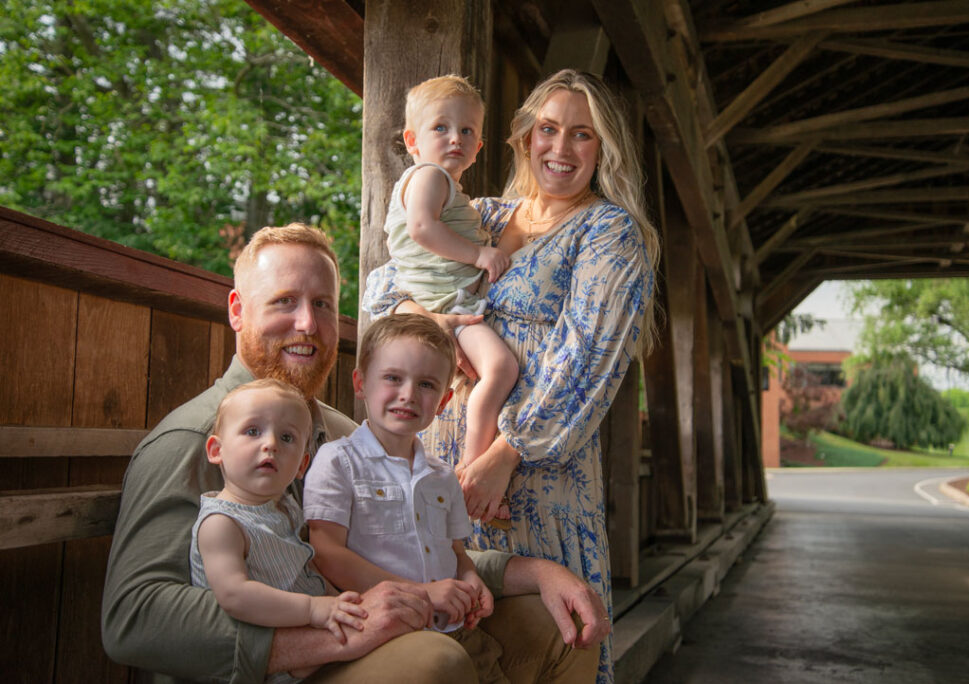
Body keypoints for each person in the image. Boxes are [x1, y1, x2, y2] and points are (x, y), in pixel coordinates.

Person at [102, 222, 609, 684]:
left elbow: (412, 546)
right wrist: (332, 636)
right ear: (237, 310)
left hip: (356, 637)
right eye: (284, 301)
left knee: (557, 627)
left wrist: (535, 571)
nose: (307, 323)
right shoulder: (191, 440)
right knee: (436, 661)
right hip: (275, 668)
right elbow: (134, 617)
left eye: (323, 304)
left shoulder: (342, 433)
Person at [365, 69, 659, 683]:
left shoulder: (608, 233)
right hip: (434, 466)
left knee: (542, 647)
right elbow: (385, 284)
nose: (560, 148)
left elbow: (586, 363)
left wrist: (506, 452)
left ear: (603, 149)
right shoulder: (483, 216)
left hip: (529, 483)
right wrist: (429, 318)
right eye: (547, 129)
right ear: (524, 137)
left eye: (582, 135)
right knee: (446, 649)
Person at [305, 314, 507, 683]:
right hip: (381, 635)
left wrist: (471, 580)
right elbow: (326, 553)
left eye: (426, 384)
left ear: (444, 401)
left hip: (456, 630)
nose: (408, 394)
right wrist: (423, 593)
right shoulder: (338, 461)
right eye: (393, 378)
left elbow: (457, 553)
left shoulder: (443, 476)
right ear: (360, 383)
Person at [385, 76, 518, 521]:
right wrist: (479, 252)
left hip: (447, 302)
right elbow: (422, 229)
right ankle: (473, 469)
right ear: (412, 140)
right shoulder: (429, 176)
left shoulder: (450, 189)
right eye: (440, 127)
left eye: (467, 131)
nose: (455, 138)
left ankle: (463, 477)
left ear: (479, 146)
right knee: (500, 369)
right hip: (449, 306)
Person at [189, 378, 369, 684]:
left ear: (302, 465)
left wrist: (336, 601)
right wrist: (313, 609)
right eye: (252, 431)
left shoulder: (284, 508)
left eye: (287, 438)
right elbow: (234, 595)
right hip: (266, 658)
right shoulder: (221, 523)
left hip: (309, 628)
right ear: (217, 450)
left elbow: (302, 565)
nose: (270, 443)